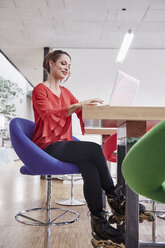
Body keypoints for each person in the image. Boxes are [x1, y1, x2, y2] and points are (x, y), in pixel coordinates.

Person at [32, 50, 125, 247]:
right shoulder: (40, 90)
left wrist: (97, 106)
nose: (67, 68)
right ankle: (116, 199)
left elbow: (78, 108)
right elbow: (48, 114)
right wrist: (78, 105)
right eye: (63, 63)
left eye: (69, 65)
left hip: (64, 143)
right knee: (93, 149)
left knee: (89, 166)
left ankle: (100, 225)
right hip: (47, 146)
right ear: (50, 63)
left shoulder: (66, 92)